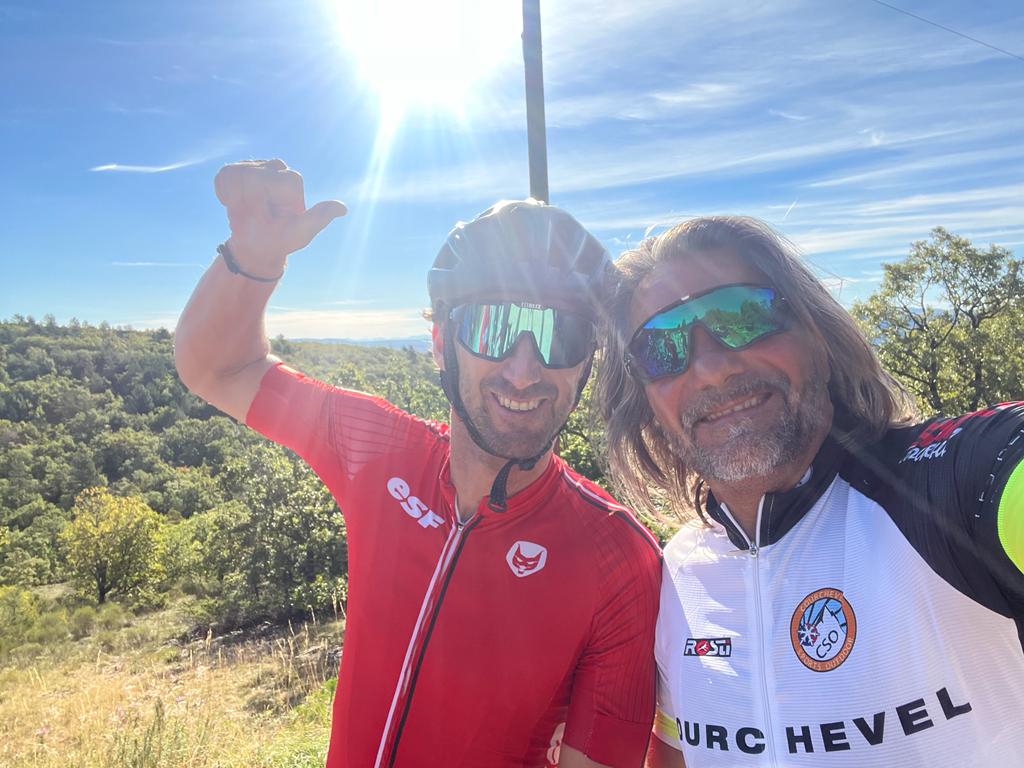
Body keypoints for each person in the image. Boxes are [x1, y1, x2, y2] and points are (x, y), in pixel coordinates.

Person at [174, 159, 662, 768]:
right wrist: (252, 260)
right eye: (492, 326)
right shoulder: (375, 447)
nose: (523, 371)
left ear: (586, 361)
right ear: (439, 344)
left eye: (560, 336)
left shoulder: (621, 561)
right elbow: (216, 367)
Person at [595, 216, 1024, 767]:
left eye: (744, 314)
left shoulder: (943, 490)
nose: (711, 369)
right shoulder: (677, 574)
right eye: (661, 348)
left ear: (817, 337)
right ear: (646, 403)